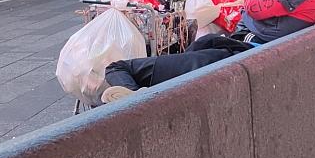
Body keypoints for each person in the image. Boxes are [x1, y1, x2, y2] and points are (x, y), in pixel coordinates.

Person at [100, 36, 255, 103]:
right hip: (215, 70)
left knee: (116, 66)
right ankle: (136, 94)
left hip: (200, 63)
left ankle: (133, 94)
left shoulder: (250, 38)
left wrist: (185, 55)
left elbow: (207, 40)